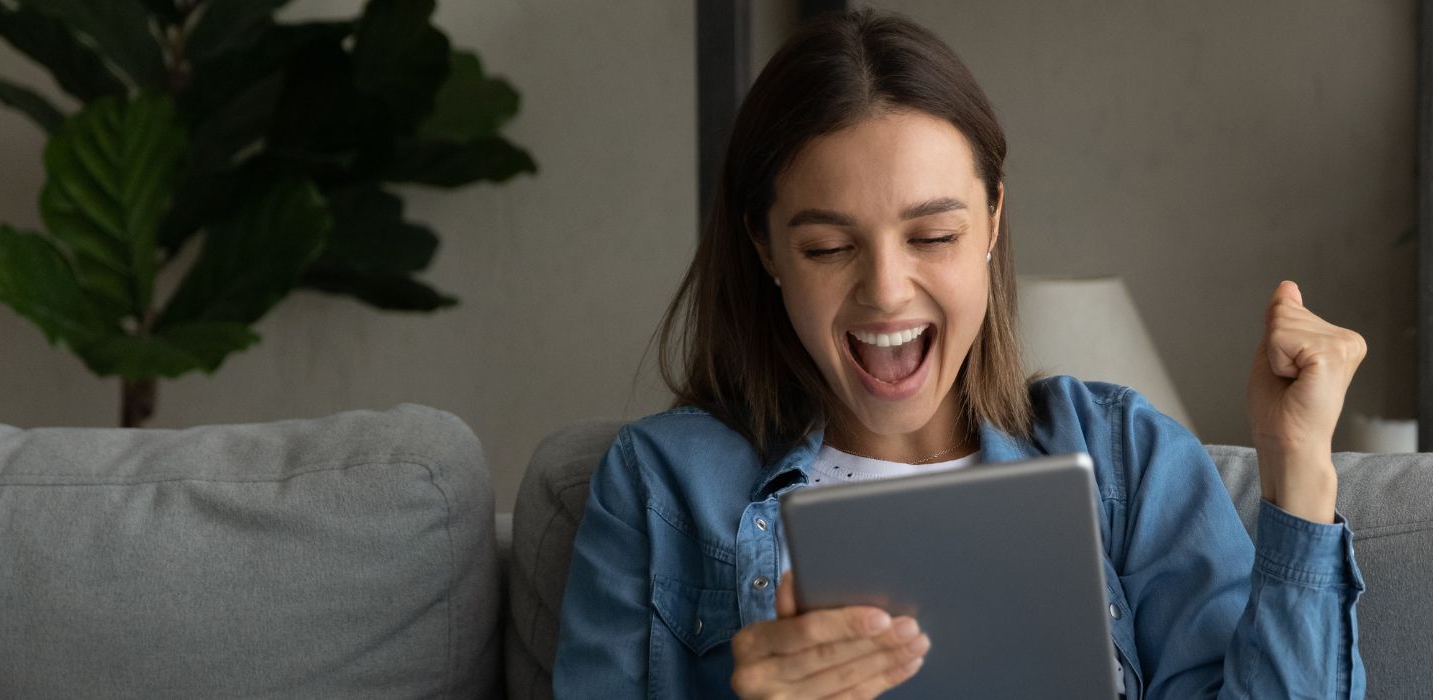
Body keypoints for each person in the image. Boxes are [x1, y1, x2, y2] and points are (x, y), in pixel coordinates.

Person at [553, 9, 1368, 699]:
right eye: (829, 247)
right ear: (766, 249)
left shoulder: (1127, 459)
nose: (886, 290)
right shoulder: (661, 487)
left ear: (991, 223)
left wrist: (1298, 467)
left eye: (933, 235)